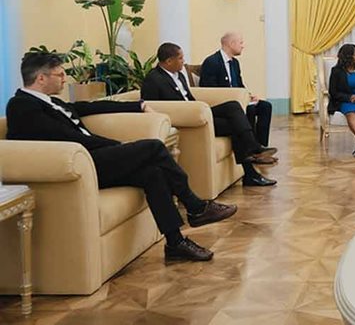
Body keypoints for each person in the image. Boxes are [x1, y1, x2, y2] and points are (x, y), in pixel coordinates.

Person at [5, 52, 237, 262]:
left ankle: (175, 242)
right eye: (60, 74)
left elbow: (90, 107)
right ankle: (196, 206)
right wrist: (118, 146)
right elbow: (64, 138)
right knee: (154, 147)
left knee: (152, 174)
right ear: (41, 78)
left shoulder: (53, 102)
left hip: (92, 158)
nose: (65, 79)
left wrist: (139, 105)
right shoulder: (21, 106)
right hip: (81, 162)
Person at [141, 43, 278, 186]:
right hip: (189, 120)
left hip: (198, 112)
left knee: (233, 106)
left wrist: (202, 108)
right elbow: (153, 108)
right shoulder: (153, 79)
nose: (184, 61)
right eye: (180, 58)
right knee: (235, 126)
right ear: (169, 61)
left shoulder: (179, 75)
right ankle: (251, 169)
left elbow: (189, 98)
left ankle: (253, 149)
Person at [199, 32, 273, 147]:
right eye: (241, 42)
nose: (243, 46)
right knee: (250, 110)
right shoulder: (212, 62)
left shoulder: (235, 63)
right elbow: (209, 89)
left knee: (265, 106)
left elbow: (239, 85)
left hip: (239, 101)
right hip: (224, 104)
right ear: (231, 44)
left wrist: (249, 96)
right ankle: (252, 147)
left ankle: (261, 145)